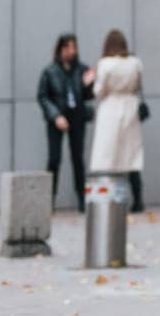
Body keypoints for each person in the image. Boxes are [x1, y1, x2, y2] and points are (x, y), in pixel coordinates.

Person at [88, 29, 145, 213]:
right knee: (131, 157)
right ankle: (137, 200)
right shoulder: (135, 63)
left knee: (108, 156)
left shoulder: (105, 64)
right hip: (130, 108)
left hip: (110, 109)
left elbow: (99, 91)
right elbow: (139, 86)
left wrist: (91, 80)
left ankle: (111, 199)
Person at [37, 33, 95, 212]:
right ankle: (49, 202)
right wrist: (55, 116)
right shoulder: (50, 71)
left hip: (77, 117)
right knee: (54, 159)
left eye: (73, 47)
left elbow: (88, 96)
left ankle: (82, 201)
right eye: (67, 47)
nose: (71, 51)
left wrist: (89, 84)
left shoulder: (82, 70)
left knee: (78, 158)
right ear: (60, 49)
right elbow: (43, 96)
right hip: (57, 119)